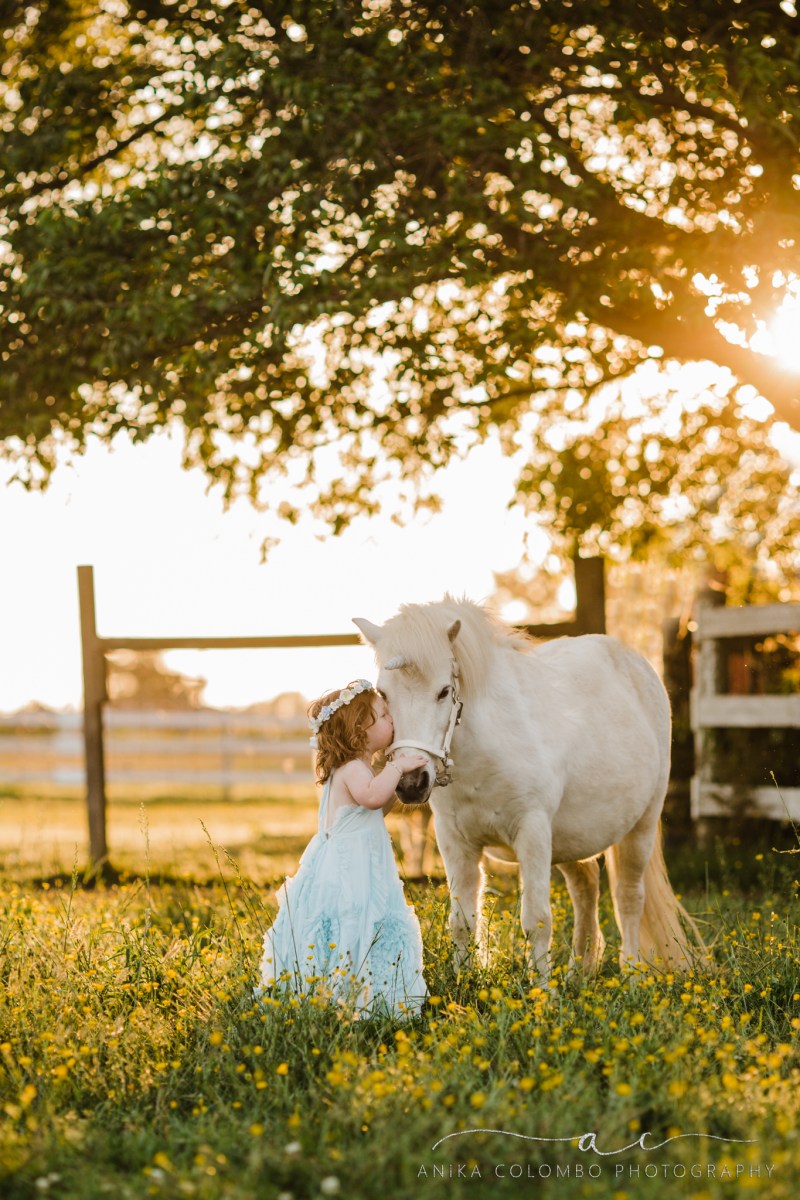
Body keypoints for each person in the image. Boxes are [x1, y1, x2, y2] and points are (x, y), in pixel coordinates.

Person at [256, 679, 430, 1019]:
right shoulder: (351, 769)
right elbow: (371, 796)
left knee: (370, 918)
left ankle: (375, 990)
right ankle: (349, 993)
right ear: (359, 732)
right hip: (350, 870)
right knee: (353, 919)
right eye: (382, 716)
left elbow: (376, 808)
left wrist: (397, 785)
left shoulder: (359, 769)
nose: (391, 719)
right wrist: (396, 767)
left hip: (364, 864)